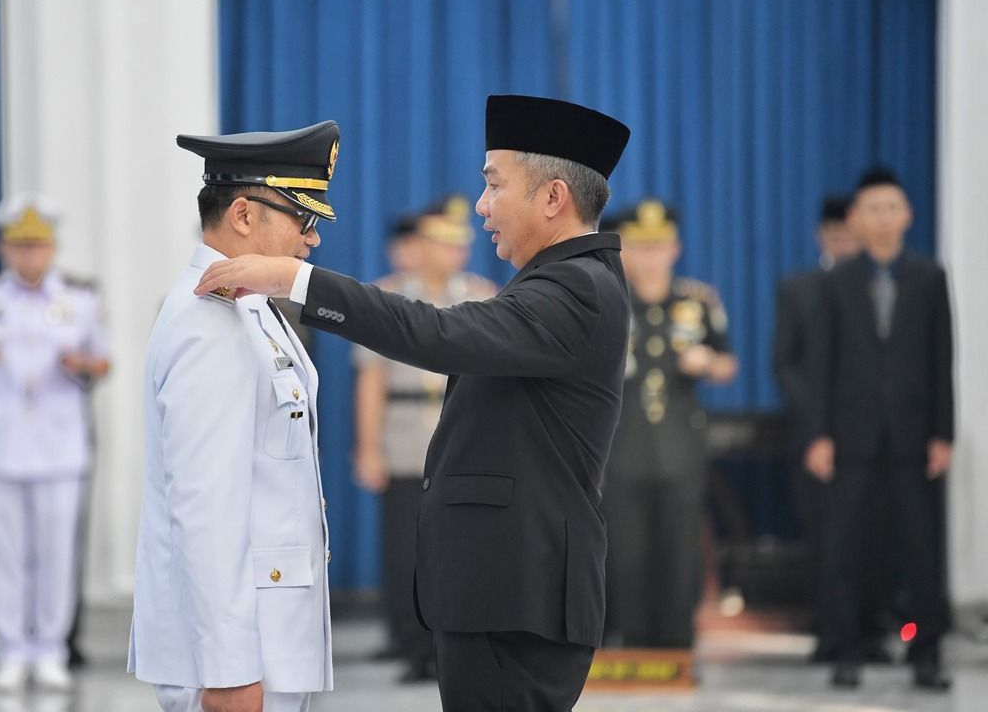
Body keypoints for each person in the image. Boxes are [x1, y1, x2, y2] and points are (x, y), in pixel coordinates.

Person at [196, 95, 632, 712]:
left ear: (553, 197)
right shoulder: (559, 282)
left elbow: (440, 334)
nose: (481, 208)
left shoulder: (578, 289)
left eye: (493, 186)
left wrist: (292, 279)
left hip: (517, 597)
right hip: (504, 592)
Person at [129, 120, 340, 712]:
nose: (312, 238)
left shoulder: (250, 305)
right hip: (238, 657)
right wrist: (228, 671)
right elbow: (206, 506)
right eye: (303, 218)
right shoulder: (209, 320)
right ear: (244, 215)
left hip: (267, 640)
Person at [0, 198, 111, 693]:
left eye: (38, 246)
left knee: (56, 553)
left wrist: (83, 366)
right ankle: (10, 648)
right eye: (20, 246)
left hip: (60, 445)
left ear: (52, 248)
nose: (30, 257)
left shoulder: (80, 300)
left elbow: (104, 360)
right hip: (0, 442)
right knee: (4, 553)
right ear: (3, 248)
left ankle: (50, 649)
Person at [806, 168, 954, 690]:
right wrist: (818, 435)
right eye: (873, 208)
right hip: (850, 438)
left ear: (908, 215)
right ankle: (848, 650)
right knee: (848, 547)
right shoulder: (836, 282)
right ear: (856, 218)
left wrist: (944, 434)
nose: (884, 217)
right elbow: (820, 365)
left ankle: (927, 653)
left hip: (914, 439)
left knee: (920, 548)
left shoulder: (930, 277)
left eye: (893, 207)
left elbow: (942, 361)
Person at [352, 196, 497, 682]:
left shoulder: (482, 295)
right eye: (441, 243)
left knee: (461, 547)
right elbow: (371, 380)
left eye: (459, 244)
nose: (451, 253)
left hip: (461, 434)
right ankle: (413, 647)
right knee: (405, 547)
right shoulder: (389, 296)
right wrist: (369, 446)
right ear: (420, 245)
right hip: (406, 431)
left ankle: (456, 647)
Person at [602, 199, 738, 649]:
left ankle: (678, 640)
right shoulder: (608, 300)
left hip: (680, 443)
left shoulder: (698, 301)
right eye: (640, 247)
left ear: (675, 249)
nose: (650, 256)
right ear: (625, 250)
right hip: (622, 443)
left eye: (659, 246)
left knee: (680, 547)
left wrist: (708, 362)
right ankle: (633, 639)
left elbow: (728, 364)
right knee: (626, 547)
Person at [772, 195, 888, 664]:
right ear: (822, 237)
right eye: (834, 236)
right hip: (815, 434)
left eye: (849, 236)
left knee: (873, 533)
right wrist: (819, 419)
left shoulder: (878, 287)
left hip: (871, 435)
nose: (842, 244)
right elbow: (786, 364)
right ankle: (830, 632)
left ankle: (872, 630)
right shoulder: (801, 288)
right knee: (824, 536)